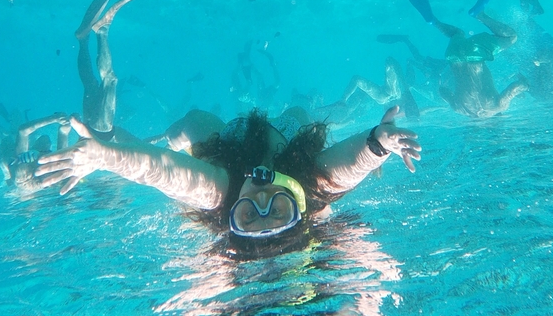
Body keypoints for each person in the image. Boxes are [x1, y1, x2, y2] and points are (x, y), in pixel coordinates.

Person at [33, 105, 421, 256]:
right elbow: (350, 164)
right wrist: (380, 143)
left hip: (233, 148)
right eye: (278, 208)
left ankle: (156, 139)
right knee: (301, 115)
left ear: (233, 213)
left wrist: (107, 156)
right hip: (291, 147)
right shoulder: (312, 188)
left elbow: (162, 171)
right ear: (297, 204)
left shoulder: (222, 192)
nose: (262, 196)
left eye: (250, 215)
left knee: (191, 124)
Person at [405, 0, 528, 117]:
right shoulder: (460, 109)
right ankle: (434, 21)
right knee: (456, 34)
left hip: (475, 54)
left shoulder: (497, 106)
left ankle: (479, 15)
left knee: (511, 37)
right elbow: (442, 91)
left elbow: (515, 88)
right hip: (453, 56)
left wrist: (525, 84)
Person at [75, 0, 141, 141]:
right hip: (89, 133)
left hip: (102, 133)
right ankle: (83, 41)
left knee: (109, 80)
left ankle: (102, 30)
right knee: (90, 84)